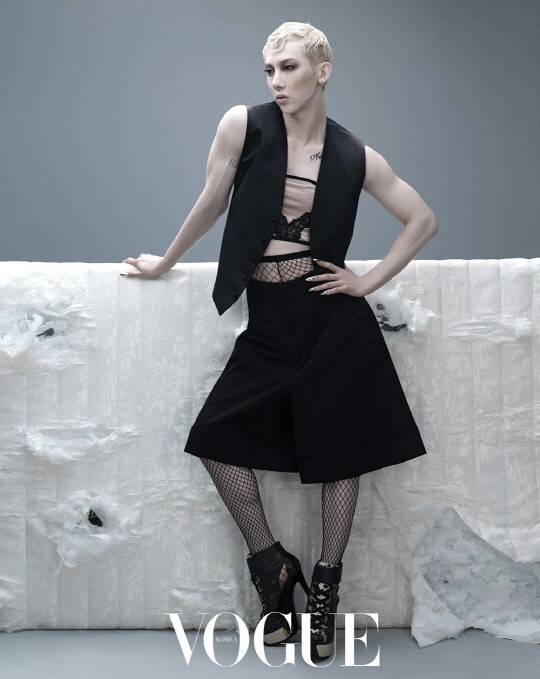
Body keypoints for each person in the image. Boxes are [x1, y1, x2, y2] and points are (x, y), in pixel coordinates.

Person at [120, 21, 438, 663]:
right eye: (269, 70)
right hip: (268, 323)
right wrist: (165, 262)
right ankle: (272, 565)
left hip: (330, 323)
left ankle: (324, 592)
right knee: (216, 441)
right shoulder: (245, 126)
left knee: (338, 459)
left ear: (323, 70)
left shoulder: (355, 155)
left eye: (289, 67)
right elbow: (211, 201)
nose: (276, 81)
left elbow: (422, 219)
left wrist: (366, 281)